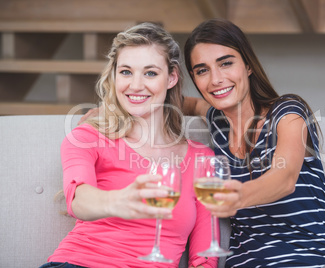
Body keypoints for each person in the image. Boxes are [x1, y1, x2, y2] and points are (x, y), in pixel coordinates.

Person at [181, 18, 325, 268]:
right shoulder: (217, 121)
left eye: (226, 63)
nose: (215, 79)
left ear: (248, 65)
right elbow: (187, 102)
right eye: (202, 70)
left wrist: (236, 196)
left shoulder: (287, 113)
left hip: (318, 262)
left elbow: (284, 178)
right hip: (250, 264)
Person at [39, 22, 218, 268]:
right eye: (125, 72)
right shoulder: (88, 136)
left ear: (171, 77)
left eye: (150, 73)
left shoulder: (202, 159)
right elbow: (78, 199)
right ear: (114, 76)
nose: (135, 85)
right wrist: (119, 201)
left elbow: (205, 255)